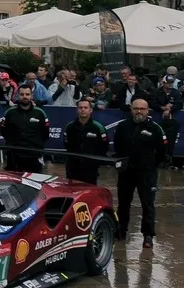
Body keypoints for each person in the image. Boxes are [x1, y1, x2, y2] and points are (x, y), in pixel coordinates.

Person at [114, 98, 167, 248]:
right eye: (136, 108)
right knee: (123, 204)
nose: (139, 111)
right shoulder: (122, 126)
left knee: (147, 204)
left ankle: (148, 235)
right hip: (126, 172)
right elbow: (117, 146)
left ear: (148, 111)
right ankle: (121, 231)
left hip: (147, 173)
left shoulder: (155, 128)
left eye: (142, 109)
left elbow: (162, 152)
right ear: (131, 110)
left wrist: (151, 164)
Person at [1, 85, 50, 172]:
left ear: (32, 96)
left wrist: (36, 146)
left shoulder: (40, 113)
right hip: (14, 155)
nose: (24, 97)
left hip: (34, 155)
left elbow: (45, 134)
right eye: (22, 94)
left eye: (27, 94)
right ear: (18, 96)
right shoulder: (10, 112)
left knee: (34, 183)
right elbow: (4, 131)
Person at [63, 98, 109, 184]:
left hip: (90, 168)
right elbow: (66, 144)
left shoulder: (98, 127)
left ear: (91, 110)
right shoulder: (69, 127)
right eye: (80, 108)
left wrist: (95, 162)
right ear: (77, 110)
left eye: (85, 107)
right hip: (72, 167)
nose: (83, 110)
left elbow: (104, 146)